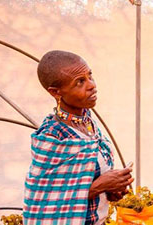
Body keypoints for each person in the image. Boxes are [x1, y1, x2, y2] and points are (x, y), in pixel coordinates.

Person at [24, 50, 133, 225]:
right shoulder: (52, 136)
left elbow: (83, 182)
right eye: (80, 82)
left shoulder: (89, 123)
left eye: (90, 76)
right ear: (55, 92)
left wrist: (113, 190)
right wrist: (101, 186)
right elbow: (45, 202)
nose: (91, 85)